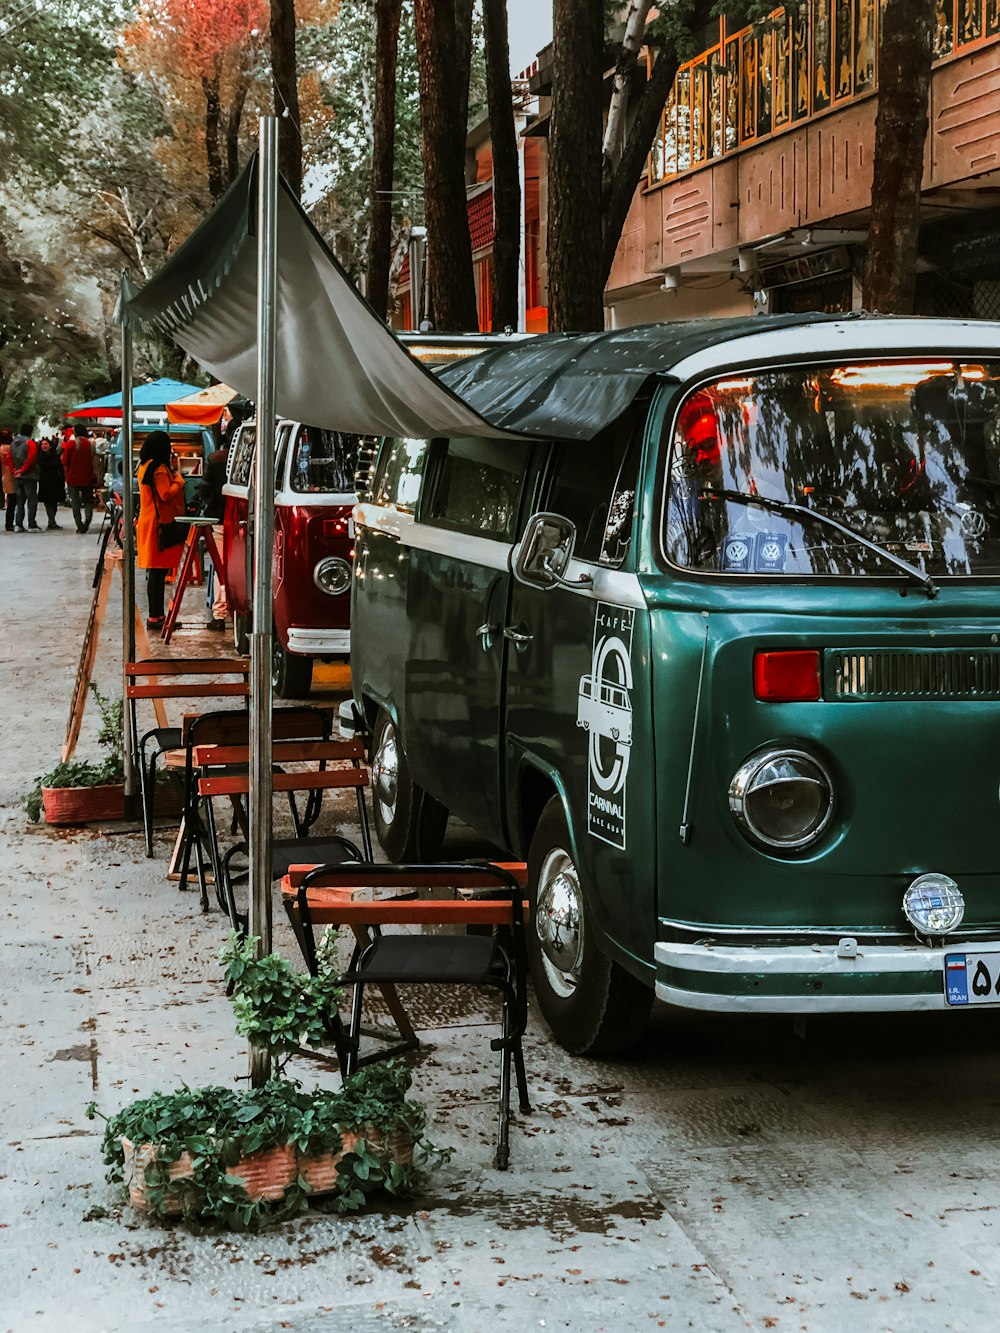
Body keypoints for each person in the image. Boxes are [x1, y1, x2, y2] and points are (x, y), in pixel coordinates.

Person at [136, 430, 186, 629]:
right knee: (157, 574)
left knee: (155, 573)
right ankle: (156, 617)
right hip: (158, 525)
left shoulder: (145, 465)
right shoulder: (158, 468)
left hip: (149, 522)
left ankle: (156, 616)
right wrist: (179, 481)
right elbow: (165, 494)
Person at [199, 432, 230, 630]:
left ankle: (220, 613)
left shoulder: (215, 459)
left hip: (218, 519)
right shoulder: (255, 457)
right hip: (246, 519)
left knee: (221, 566)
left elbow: (205, 489)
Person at [61, 424, 97, 533]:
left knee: (75, 503)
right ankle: (87, 521)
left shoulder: (71, 444)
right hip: (88, 478)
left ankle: (79, 525)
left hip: (73, 478)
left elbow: (64, 461)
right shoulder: (91, 444)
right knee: (88, 502)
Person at [11, 423, 40, 532]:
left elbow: (9, 458)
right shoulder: (30, 443)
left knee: (20, 501)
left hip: (17, 477)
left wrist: (15, 470)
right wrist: (23, 470)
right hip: (29, 476)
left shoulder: (13, 444)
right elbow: (31, 459)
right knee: (32, 500)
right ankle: (31, 524)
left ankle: (18, 524)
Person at [37, 436, 66, 529]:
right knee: (48, 502)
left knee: (54, 502)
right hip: (44, 482)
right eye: (42, 444)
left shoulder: (55, 455)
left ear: (50, 446)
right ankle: (51, 521)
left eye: (46, 444)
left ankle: (52, 521)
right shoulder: (39, 457)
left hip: (55, 481)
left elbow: (60, 467)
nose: (44, 446)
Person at [0, 429, 16, 532]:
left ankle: (9, 523)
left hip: (3, 474)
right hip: (10, 475)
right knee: (12, 500)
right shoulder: (10, 448)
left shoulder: (1, 448)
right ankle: (9, 523)